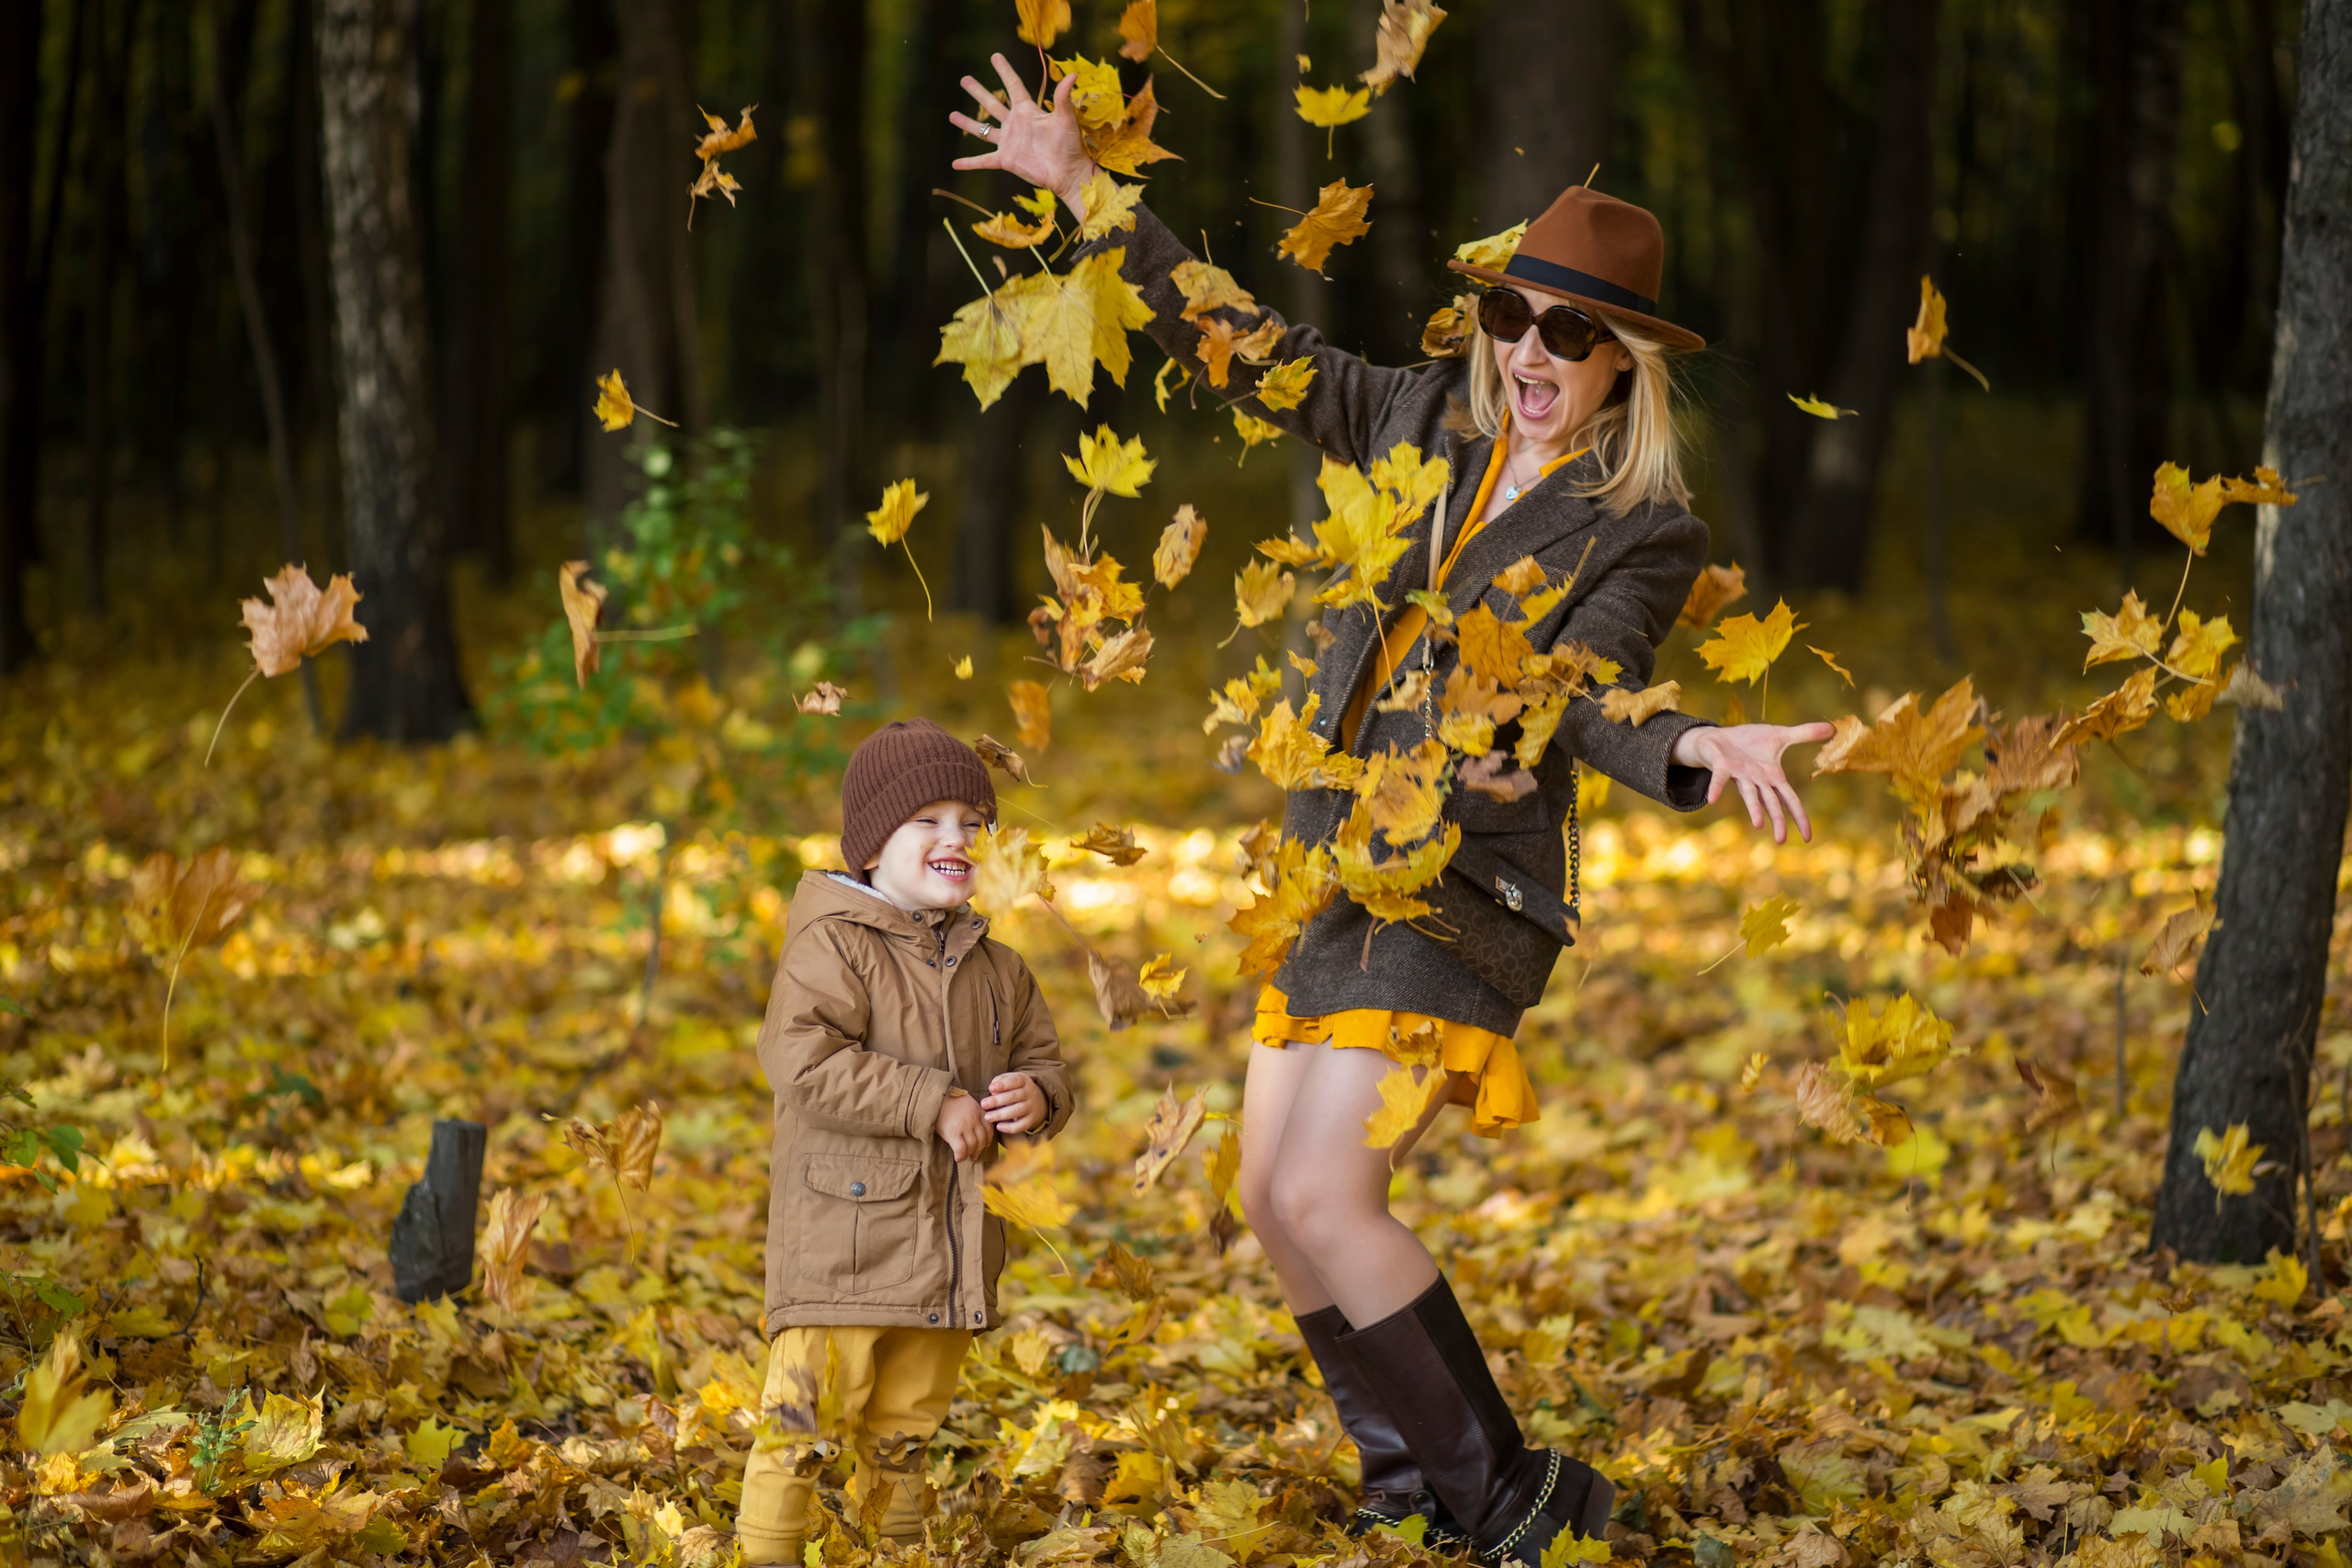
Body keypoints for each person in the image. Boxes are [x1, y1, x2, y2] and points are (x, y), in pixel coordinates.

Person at [948, 54, 1832, 1566]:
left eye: (1571, 333)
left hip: (1467, 888)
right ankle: (1412, 1480)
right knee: (1266, 1196)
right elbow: (1256, 348)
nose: (1532, 352)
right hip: (1330, 859)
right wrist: (1087, 190)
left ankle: (1518, 1502)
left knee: (1322, 1186)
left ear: (1622, 363)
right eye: (1514, 316)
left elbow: (1592, 685)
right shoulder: (1420, 418)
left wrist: (1692, 745)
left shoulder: (1643, 527)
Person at [736, 718, 1075, 1563]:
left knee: (906, 1428)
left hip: (946, 1243)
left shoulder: (998, 966)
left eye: (971, 820)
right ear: (871, 843)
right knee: (802, 1424)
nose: (955, 836)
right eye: (927, 818)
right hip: (841, 1246)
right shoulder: (834, 943)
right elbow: (800, 1058)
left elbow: (1043, 1056)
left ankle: (894, 1553)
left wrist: (1037, 1096)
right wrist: (930, 1097)